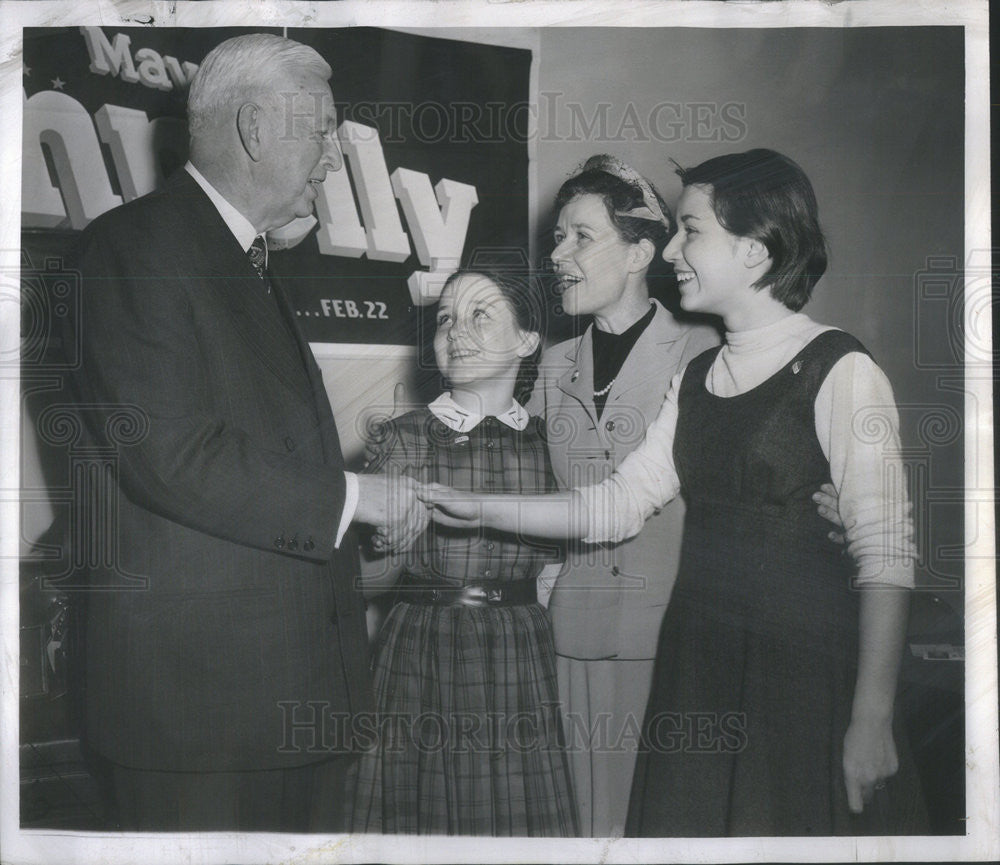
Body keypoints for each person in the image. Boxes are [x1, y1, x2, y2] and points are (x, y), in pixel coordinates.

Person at [422, 149, 926, 836]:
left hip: (801, 675)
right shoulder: (697, 379)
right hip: (701, 666)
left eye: (691, 231)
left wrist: (871, 719)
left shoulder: (842, 367)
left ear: (753, 252)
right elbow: (614, 504)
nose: (674, 250)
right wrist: (480, 506)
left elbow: (887, 553)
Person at [64, 34, 426, 832]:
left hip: (279, 711)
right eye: (323, 129)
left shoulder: (242, 259)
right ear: (258, 128)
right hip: (200, 721)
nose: (335, 156)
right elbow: (172, 454)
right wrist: (358, 494)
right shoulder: (138, 248)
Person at [526, 155, 718, 837]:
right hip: (572, 637)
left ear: (639, 252)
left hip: (675, 637)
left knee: (665, 829)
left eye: (581, 236)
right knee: (585, 826)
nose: (558, 254)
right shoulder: (549, 367)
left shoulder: (703, 353)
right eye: (556, 237)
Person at [349, 269, 578, 836]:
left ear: (527, 342)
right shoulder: (402, 436)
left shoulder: (552, 441)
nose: (456, 331)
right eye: (446, 317)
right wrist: (384, 538)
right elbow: (366, 582)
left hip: (523, 650)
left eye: (481, 315)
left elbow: (559, 562)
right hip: (424, 647)